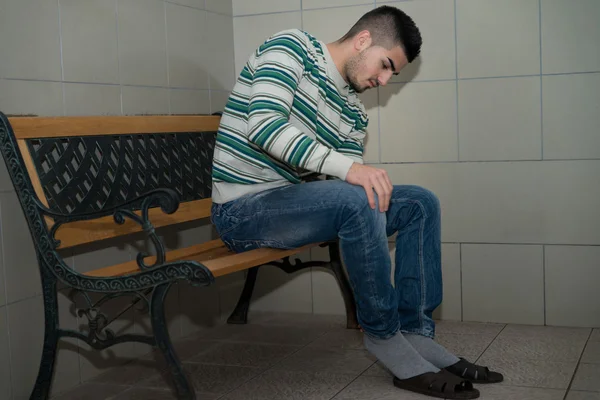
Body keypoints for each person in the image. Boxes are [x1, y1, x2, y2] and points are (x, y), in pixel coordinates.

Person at [210, 5, 502, 399]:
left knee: (419, 202)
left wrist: (353, 176)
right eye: (385, 65)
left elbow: (351, 185)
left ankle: (415, 331)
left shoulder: (352, 107)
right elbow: (263, 126)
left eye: (391, 74)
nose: (383, 80)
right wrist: (350, 172)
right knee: (357, 196)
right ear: (363, 40)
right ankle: (383, 336)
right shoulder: (289, 48)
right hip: (241, 211)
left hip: (288, 204)